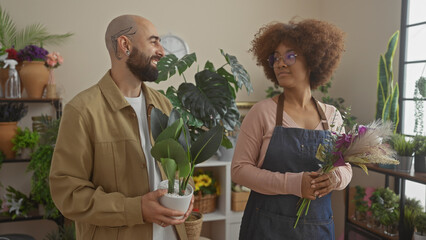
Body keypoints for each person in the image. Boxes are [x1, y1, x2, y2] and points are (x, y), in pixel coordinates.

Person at [49, 15, 193, 240]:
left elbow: (182, 164)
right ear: (125, 45)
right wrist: (136, 210)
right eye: (154, 41)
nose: (162, 52)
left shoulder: (164, 105)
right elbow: (67, 193)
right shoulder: (81, 111)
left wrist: (187, 192)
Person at [231, 18, 352, 239]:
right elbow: (239, 170)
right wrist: (294, 183)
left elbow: (346, 168)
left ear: (313, 59)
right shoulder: (262, 112)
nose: (280, 63)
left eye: (290, 55)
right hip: (266, 228)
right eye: (275, 57)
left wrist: (336, 178)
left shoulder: (332, 116)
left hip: (318, 229)